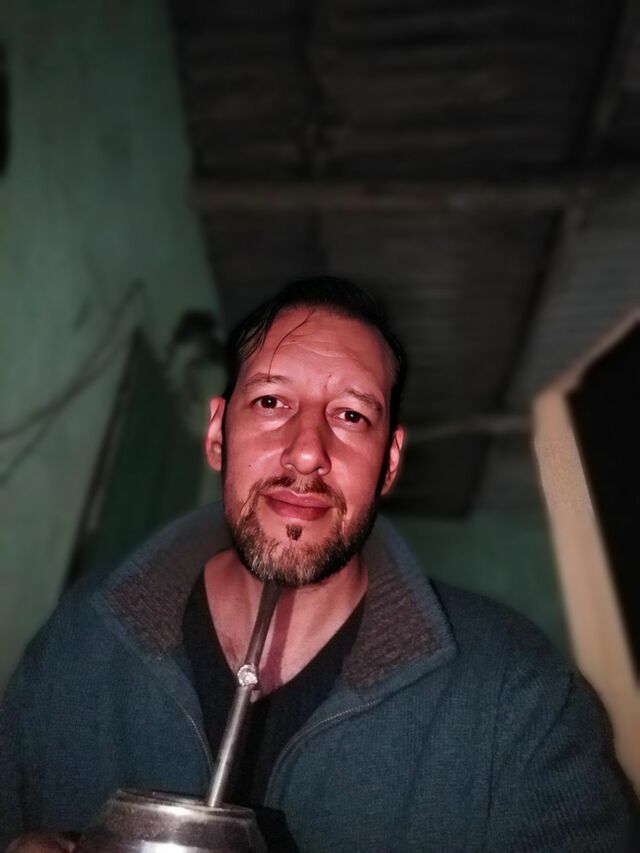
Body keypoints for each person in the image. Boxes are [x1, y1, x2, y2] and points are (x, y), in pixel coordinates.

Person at [1, 277, 637, 852]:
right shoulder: (80, 639)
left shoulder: (518, 698)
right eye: (271, 402)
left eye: (351, 416)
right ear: (218, 433)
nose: (307, 453)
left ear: (389, 463)